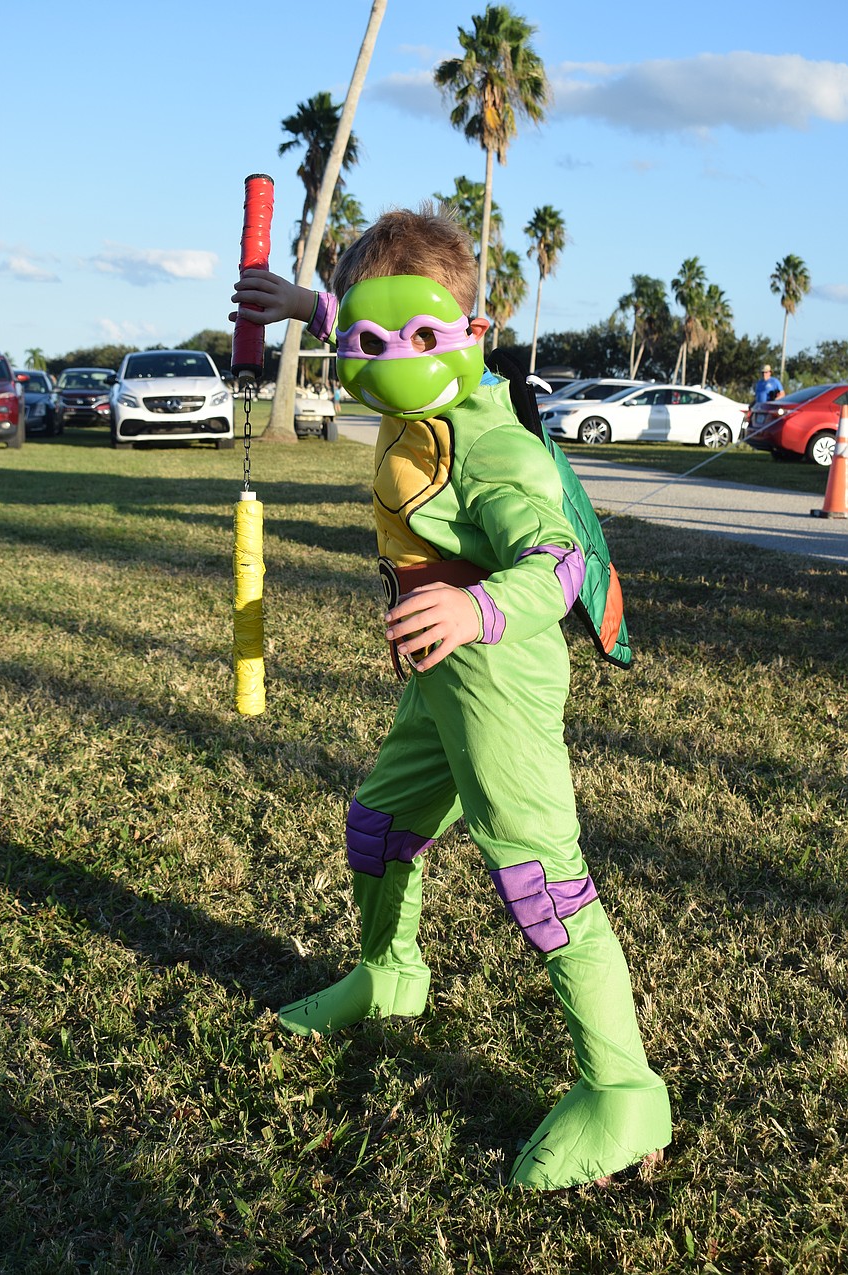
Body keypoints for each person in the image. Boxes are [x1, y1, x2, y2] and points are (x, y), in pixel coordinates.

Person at [230, 205, 671, 1191]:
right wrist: (305, 303)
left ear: (474, 339)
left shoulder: (489, 449)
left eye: (421, 337)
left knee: (540, 880)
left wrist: (474, 615)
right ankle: (391, 976)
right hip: (436, 677)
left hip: (496, 674)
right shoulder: (408, 372)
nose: (392, 358)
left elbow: (552, 563)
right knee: (380, 824)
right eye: (366, 342)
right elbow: (385, 322)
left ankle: (625, 1094)